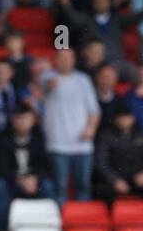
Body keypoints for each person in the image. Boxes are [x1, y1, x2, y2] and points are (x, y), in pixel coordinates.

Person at [38, 48, 100, 203]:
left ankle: (81, 223)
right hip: (57, 144)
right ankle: (61, 224)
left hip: (82, 145)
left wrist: (91, 128)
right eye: (62, 58)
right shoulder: (47, 77)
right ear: (55, 61)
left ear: (74, 60)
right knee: (60, 188)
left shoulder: (83, 80)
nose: (65, 61)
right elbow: (41, 89)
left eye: (69, 58)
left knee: (83, 187)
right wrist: (48, 87)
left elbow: (94, 110)